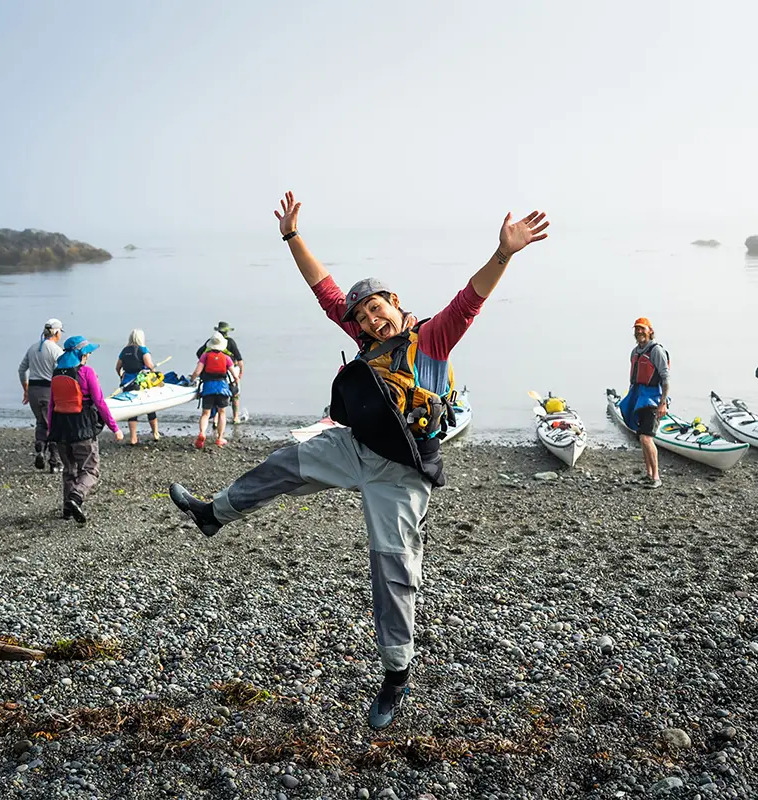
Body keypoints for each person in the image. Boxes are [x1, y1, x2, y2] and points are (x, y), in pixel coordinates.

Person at [169, 190, 549, 729]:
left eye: (378, 307)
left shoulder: (432, 339)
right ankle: (213, 515)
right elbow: (324, 290)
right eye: (365, 315)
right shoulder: (361, 336)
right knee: (285, 463)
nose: (372, 318)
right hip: (354, 449)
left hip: (401, 473)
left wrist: (504, 253)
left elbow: (470, 298)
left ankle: (396, 675)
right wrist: (291, 237)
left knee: (390, 568)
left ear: (396, 305)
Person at [48, 336, 124, 524]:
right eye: (87, 352)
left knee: (69, 469)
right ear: (81, 354)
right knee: (91, 469)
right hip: (82, 428)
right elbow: (99, 402)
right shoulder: (87, 372)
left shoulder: (57, 374)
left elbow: (51, 404)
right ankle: (76, 497)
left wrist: (51, 429)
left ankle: (67, 509)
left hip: (60, 429)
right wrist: (115, 428)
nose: (89, 355)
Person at [617, 317, 670, 489]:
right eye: (637, 329)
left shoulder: (656, 351)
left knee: (647, 438)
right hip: (639, 398)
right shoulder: (635, 352)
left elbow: (665, 378)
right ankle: (648, 475)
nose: (639, 332)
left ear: (650, 331)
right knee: (642, 437)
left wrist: (663, 403)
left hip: (653, 400)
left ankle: (656, 477)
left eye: (642, 329)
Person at [18, 319, 65, 472]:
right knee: (54, 424)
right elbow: (62, 371)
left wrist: (26, 389)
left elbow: (21, 369)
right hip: (48, 389)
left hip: (33, 390)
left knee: (41, 421)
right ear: (56, 332)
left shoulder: (32, 348)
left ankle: (40, 446)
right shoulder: (56, 350)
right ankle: (54, 461)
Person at [190, 332, 239, 448]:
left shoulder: (205, 356)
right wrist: (236, 384)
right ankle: (220, 438)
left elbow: (197, 372)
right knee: (222, 413)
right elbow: (234, 375)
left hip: (208, 388)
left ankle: (202, 433)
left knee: (205, 414)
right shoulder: (226, 358)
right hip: (222, 388)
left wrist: (191, 380)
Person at [115, 328, 160, 445]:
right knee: (150, 407)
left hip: (127, 383)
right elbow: (149, 365)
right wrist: (154, 372)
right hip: (141, 382)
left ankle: (133, 438)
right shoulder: (143, 349)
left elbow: (117, 367)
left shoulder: (124, 351)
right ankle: (155, 433)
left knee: (132, 410)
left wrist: (121, 376)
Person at [196, 322, 245, 423]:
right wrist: (240, 373)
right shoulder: (230, 342)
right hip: (229, 372)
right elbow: (239, 359)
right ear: (227, 332)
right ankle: (235, 417)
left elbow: (199, 353)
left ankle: (215, 419)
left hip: (213, 374)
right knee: (235, 394)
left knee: (216, 394)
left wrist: (205, 362)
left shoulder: (211, 341)